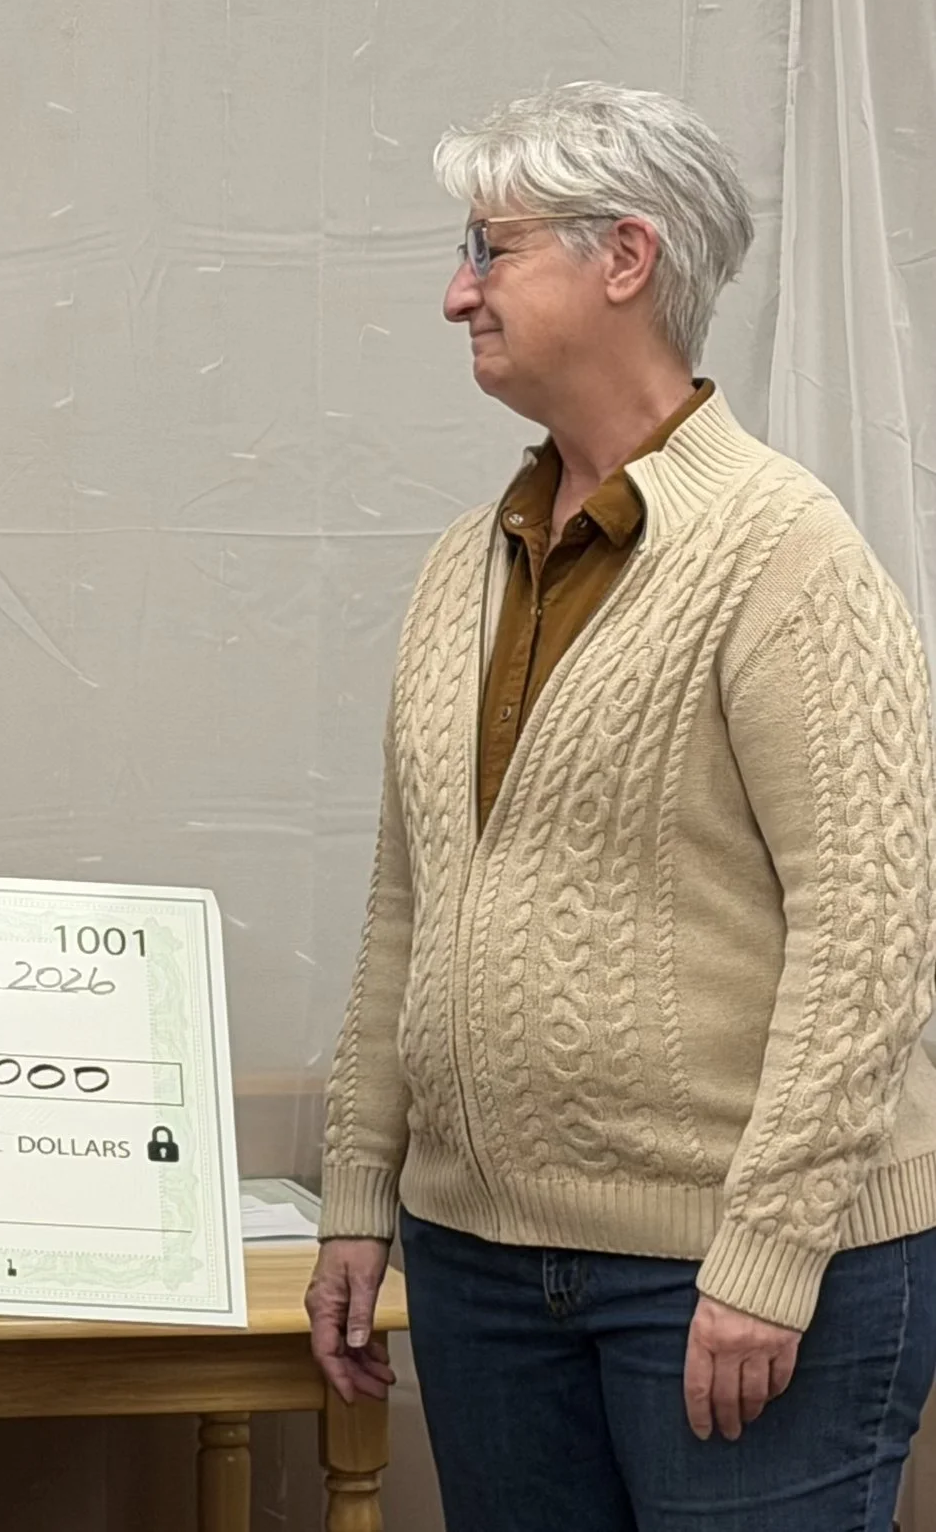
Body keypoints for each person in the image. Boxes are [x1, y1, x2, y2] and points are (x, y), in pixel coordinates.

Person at [307, 82, 936, 1530]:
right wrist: (358, 1191)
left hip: (737, 1273)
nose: (456, 290)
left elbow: (869, 935)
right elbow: (407, 903)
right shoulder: (465, 563)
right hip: (479, 1263)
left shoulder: (786, 555)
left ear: (627, 258)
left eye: (491, 248)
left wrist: (769, 1250)